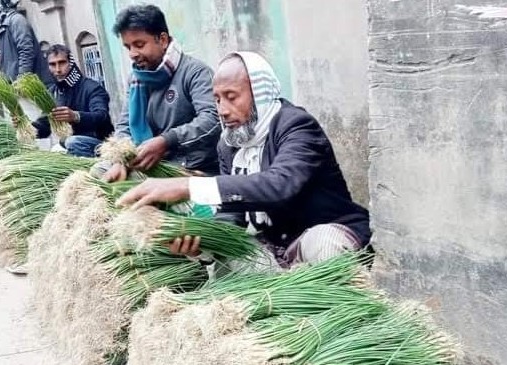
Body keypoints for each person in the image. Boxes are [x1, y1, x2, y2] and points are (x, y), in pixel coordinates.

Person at [116, 52, 372, 269]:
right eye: (217, 99)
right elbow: (232, 218)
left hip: (316, 238)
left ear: (259, 92)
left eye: (232, 96)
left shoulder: (295, 125)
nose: (223, 110)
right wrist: (202, 245)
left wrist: (186, 186)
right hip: (276, 250)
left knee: (324, 244)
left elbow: (279, 185)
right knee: (229, 263)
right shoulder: (228, 144)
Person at [105, 4, 221, 178]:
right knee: (99, 173)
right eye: (128, 47)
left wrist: (166, 141)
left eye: (139, 44)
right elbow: (125, 124)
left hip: (191, 169)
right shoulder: (136, 79)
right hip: (148, 164)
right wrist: (120, 159)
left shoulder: (195, 72)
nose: (133, 54)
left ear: (163, 40)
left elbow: (212, 119)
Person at [30, 44, 113, 157]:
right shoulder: (53, 92)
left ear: (71, 63)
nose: (58, 69)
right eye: (52, 64)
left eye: (62, 63)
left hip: (100, 146)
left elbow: (101, 116)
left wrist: (76, 116)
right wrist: (25, 129)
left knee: (72, 142)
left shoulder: (92, 88)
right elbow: (45, 126)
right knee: (55, 150)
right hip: (69, 145)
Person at [0, 0, 52, 84]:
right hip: (14, 84)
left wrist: (22, 79)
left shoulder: (16, 20)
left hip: (26, 85)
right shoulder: (3, 24)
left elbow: (26, 52)